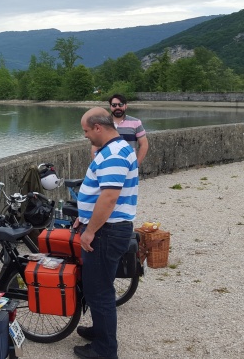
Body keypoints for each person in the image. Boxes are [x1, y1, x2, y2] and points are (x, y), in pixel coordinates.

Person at [73, 107, 138, 359]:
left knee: (99, 291)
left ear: (98, 127)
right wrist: (84, 217)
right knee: (98, 288)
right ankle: (100, 331)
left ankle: (105, 349)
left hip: (106, 233)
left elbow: (109, 198)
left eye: (86, 131)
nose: (86, 135)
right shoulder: (116, 149)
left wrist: (90, 231)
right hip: (107, 230)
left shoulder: (113, 153)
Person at [91, 94, 149, 167]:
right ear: (110, 106)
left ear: (125, 106)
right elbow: (95, 146)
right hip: (106, 166)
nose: (117, 107)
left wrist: (136, 164)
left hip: (129, 166)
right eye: (114, 105)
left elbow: (144, 144)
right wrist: (96, 165)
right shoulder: (102, 123)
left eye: (120, 104)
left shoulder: (136, 122)